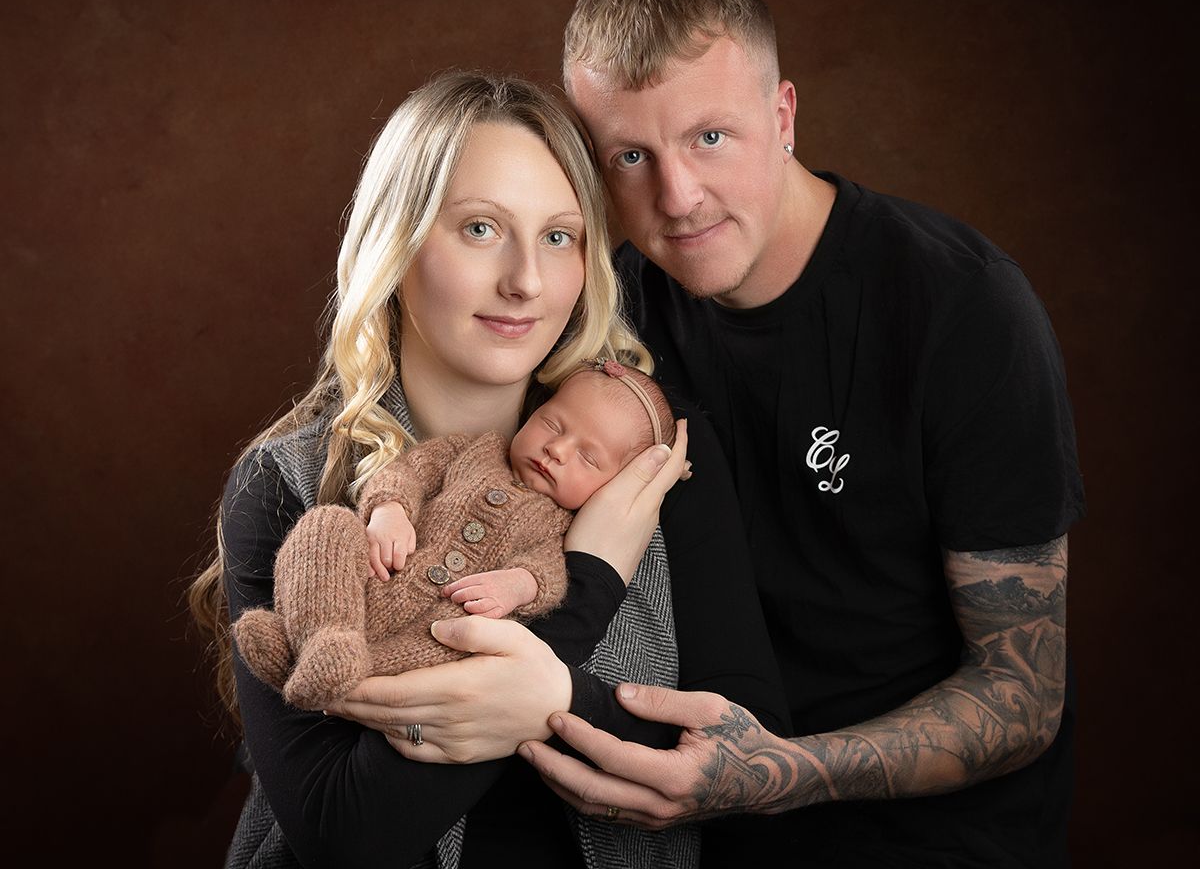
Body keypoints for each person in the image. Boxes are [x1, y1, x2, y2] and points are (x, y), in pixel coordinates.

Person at [516, 0, 1087, 868]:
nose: (678, 197)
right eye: (631, 155)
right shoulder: (602, 315)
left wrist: (780, 773)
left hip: (934, 839)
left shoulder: (960, 307)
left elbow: (1022, 695)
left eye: (710, 136)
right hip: (700, 824)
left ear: (783, 117)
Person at [189, 70, 788, 869]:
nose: (526, 282)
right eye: (480, 229)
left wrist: (555, 699)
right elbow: (343, 828)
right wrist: (592, 584)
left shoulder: (650, 452)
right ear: (395, 245)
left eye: (559, 236)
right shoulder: (289, 483)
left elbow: (747, 767)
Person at [231, 359, 678, 711]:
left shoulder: (563, 525)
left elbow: (548, 574)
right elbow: (407, 472)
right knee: (326, 526)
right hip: (374, 573)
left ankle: (336, 669)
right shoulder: (475, 450)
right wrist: (390, 512)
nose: (556, 450)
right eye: (553, 424)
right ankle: (323, 636)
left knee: (458, 645)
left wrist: (515, 586)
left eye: (588, 457)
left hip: (443, 620)